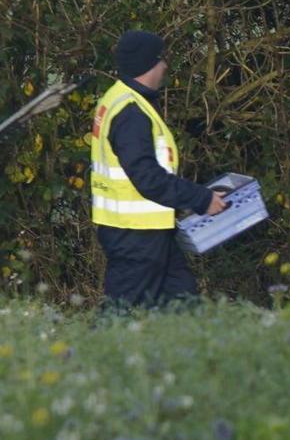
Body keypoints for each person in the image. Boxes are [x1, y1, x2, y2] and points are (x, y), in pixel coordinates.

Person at [91, 28, 226, 307]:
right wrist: (201, 199)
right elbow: (147, 177)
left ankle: (194, 350)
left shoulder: (119, 98)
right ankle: (91, 352)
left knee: (185, 306)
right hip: (135, 237)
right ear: (147, 64)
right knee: (121, 316)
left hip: (144, 233)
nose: (165, 66)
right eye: (160, 59)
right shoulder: (131, 113)